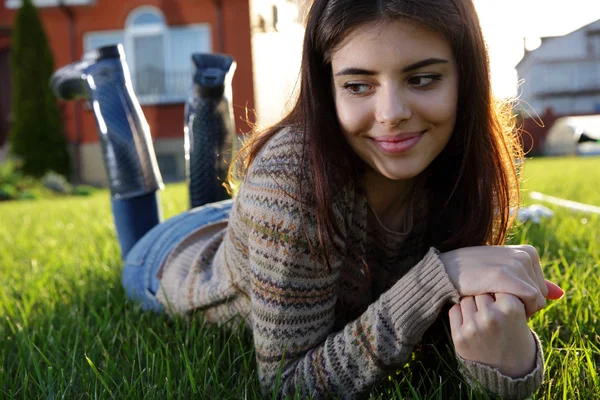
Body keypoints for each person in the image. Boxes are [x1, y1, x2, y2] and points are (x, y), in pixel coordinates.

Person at [51, 0, 565, 399]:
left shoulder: (458, 161)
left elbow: (474, 347)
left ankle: (208, 97)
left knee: (243, 209)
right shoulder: (290, 183)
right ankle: (107, 84)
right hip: (168, 258)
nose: (391, 113)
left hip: (253, 227)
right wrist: (441, 278)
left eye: (423, 78)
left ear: (466, 76)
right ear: (328, 86)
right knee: (145, 238)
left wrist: (512, 362)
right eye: (358, 85)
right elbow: (288, 386)